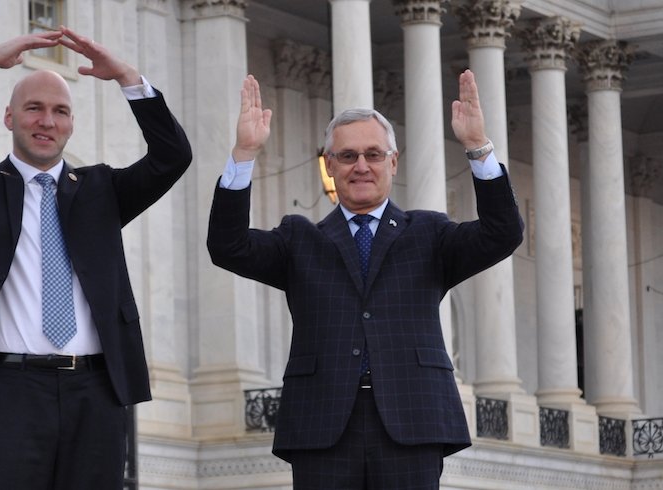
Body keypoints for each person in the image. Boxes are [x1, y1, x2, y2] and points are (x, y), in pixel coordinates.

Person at [207, 72, 523, 489]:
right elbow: (227, 247)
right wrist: (244, 154)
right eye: (348, 155)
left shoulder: (428, 234)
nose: (361, 166)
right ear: (329, 165)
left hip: (412, 419)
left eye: (373, 154)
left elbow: (502, 233)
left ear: (392, 162)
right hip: (323, 424)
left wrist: (478, 148)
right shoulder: (300, 239)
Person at [0, 28, 191, 489]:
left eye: (60, 111)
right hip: (7, 391)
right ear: (9, 117)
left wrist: (126, 77)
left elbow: (172, 155)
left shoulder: (102, 191)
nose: (47, 121)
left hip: (96, 392)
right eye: (34, 108)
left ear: (71, 123)